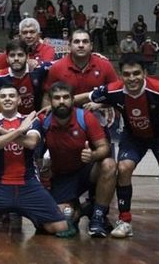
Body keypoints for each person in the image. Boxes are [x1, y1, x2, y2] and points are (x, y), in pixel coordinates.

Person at [75, 53, 159, 242]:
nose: (132, 78)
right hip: (133, 137)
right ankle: (124, 221)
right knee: (124, 167)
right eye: (127, 74)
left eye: (136, 73)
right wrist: (57, 102)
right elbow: (84, 97)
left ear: (145, 73)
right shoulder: (113, 90)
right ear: (121, 75)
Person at [0, 84, 70, 236]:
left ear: (19, 100)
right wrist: (18, 131)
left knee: (59, 227)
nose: (7, 99)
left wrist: (2, 132)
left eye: (11, 96)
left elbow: (31, 143)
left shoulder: (30, 120)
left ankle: (37, 218)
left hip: (28, 184)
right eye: (3, 96)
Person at [41, 82, 116, 237]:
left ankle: (98, 217)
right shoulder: (43, 121)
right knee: (66, 219)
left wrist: (93, 155)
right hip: (62, 177)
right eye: (56, 98)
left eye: (65, 97)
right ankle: (86, 207)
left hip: (85, 171)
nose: (61, 101)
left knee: (109, 164)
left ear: (72, 99)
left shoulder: (86, 117)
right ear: (50, 101)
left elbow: (104, 147)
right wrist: (42, 166)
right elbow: (34, 152)